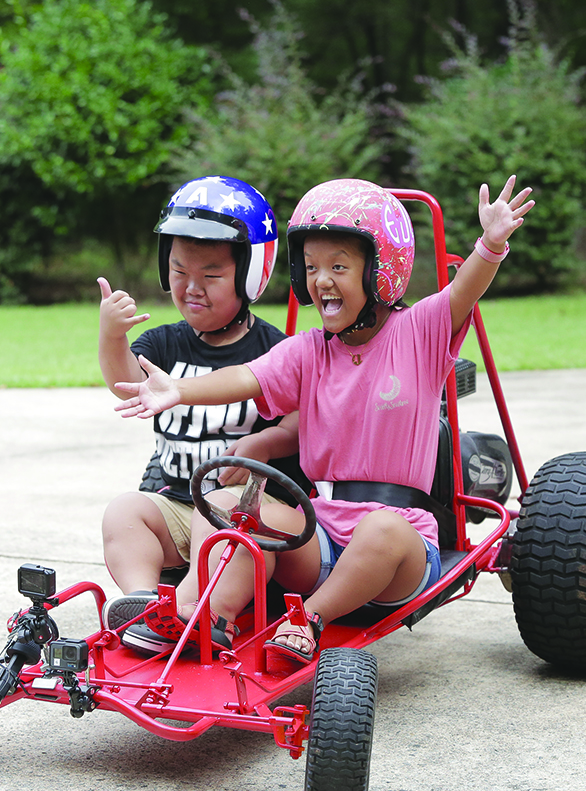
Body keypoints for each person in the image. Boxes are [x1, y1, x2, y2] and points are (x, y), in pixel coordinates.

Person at [113, 174, 535, 664]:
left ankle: (308, 619)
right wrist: (179, 390)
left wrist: (490, 244)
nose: (321, 280)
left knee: (379, 529)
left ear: (381, 272)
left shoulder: (419, 333)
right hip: (321, 535)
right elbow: (246, 376)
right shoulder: (309, 350)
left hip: (401, 547)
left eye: (338, 266)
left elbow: (463, 291)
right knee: (232, 503)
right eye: (311, 267)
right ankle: (197, 615)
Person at [98, 175, 304, 654]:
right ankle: (145, 604)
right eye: (178, 272)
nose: (191, 288)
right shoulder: (165, 343)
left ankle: (211, 616)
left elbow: (302, 421)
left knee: (227, 513)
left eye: (211, 276)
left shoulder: (274, 351)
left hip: (246, 518)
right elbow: (126, 381)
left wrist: (263, 443)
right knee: (125, 511)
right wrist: (111, 336)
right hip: (178, 505)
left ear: (250, 273)